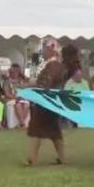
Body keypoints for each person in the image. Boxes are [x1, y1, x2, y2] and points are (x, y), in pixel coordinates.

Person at [26, 37, 66, 166]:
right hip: (52, 101)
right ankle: (62, 157)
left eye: (44, 48)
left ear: (51, 49)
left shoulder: (52, 65)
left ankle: (32, 158)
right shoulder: (55, 65)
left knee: (37, 129)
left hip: (46, 101)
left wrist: (30, 86)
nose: (42, 51)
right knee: (54, 131)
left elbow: (46, 84)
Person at [3, 64, 30, 128]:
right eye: (12, 72)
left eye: (16, 71)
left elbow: (26, 91)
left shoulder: (21, 81)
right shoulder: (7, 81)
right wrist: (16, 97)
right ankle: (22, 124)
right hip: (11, 99)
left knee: (26, 104)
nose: (13, 73)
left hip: (21, 98)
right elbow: (7, 94)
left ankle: (21, 123)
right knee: (18, 104)